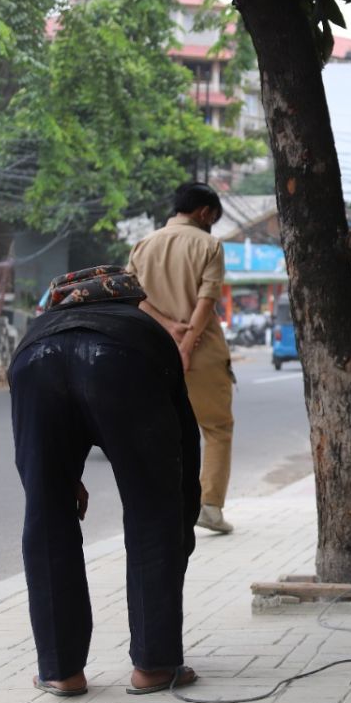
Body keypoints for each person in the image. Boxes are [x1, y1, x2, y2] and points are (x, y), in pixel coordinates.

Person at [8, 266, 201, 696]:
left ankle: (61, 672)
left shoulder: (38, 331)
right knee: (153, 513)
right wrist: (182, 514)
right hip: (121, 362)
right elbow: (184, 443)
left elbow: (34, 458)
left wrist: (61, 480)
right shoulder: (141, 328)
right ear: (129, 301)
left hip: (35, 366)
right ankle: (154, 665)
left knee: (47, 516)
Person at [128, 182, 236, 533]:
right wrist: (186, 345)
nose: (212, 224)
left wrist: (167, 326)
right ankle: (209, 507)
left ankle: (161, 508)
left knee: (161, 432)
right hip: (201, 353)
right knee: (217, 429)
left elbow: (132, 298)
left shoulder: (144, 246)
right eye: (213, 218)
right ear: (204, 213)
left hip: (151, 350)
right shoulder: (209, 245)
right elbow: (207, 300)